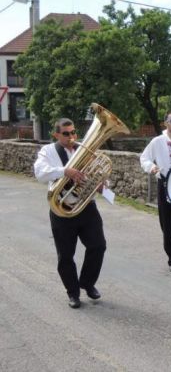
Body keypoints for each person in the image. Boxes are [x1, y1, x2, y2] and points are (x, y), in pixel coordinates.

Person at [34, 118, 106, 309]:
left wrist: (99, 185)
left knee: (98, 246)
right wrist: (65, 171)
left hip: (87, 207)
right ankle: (73, 292)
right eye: (66, 133)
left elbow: (96, 173)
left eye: (73, 132)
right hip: (61, 209)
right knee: (66, 255)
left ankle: (87, 282)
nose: (72, 136)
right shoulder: (48, 151)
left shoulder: (85, 150)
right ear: (56, 134)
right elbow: (40, 173)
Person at [140, 110, 171, 273]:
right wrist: (152, 167)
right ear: (165, 123)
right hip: (165, 187)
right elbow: (144, 158)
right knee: (168, 227)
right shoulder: (157, 141)